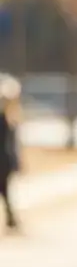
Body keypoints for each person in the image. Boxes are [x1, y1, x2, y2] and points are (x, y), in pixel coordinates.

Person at [0, 75, 22, 233]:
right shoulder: (7, 119)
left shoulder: (8, 118)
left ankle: (11, 220)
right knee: (5, 192)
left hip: (4, 161)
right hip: (4, 161)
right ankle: (11, 220)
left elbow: (11, 144)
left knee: (5, 192)